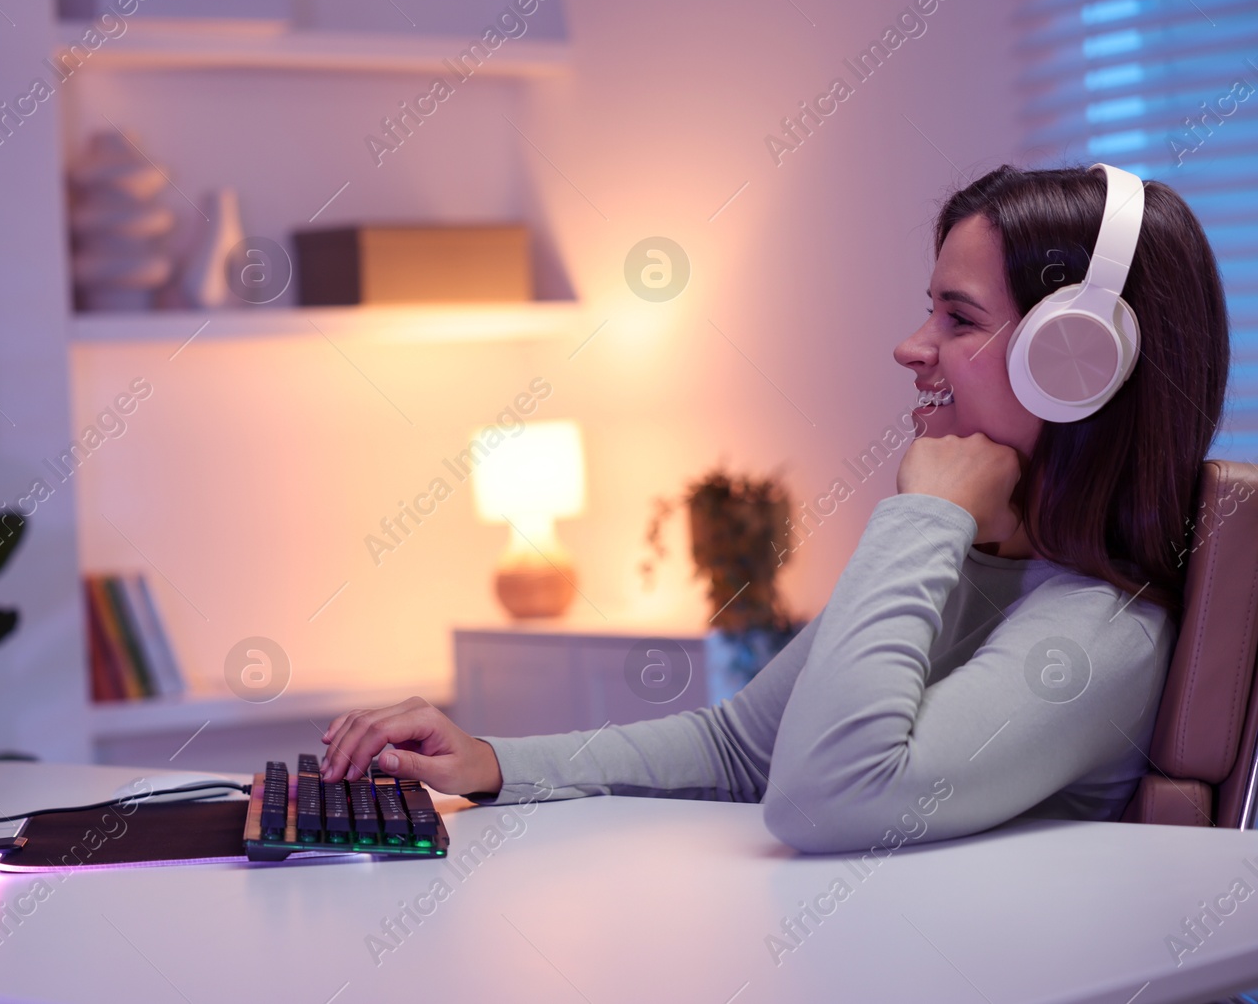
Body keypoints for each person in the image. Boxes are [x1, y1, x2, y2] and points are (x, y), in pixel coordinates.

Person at [320, 165, 1232, 854]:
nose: (911, 347)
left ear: (1076, 363)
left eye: (957, 318)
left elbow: (826, 796)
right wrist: (492, 762)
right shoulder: (974, 562)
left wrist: (924, 517)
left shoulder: (1101, 636)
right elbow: (739, 747)